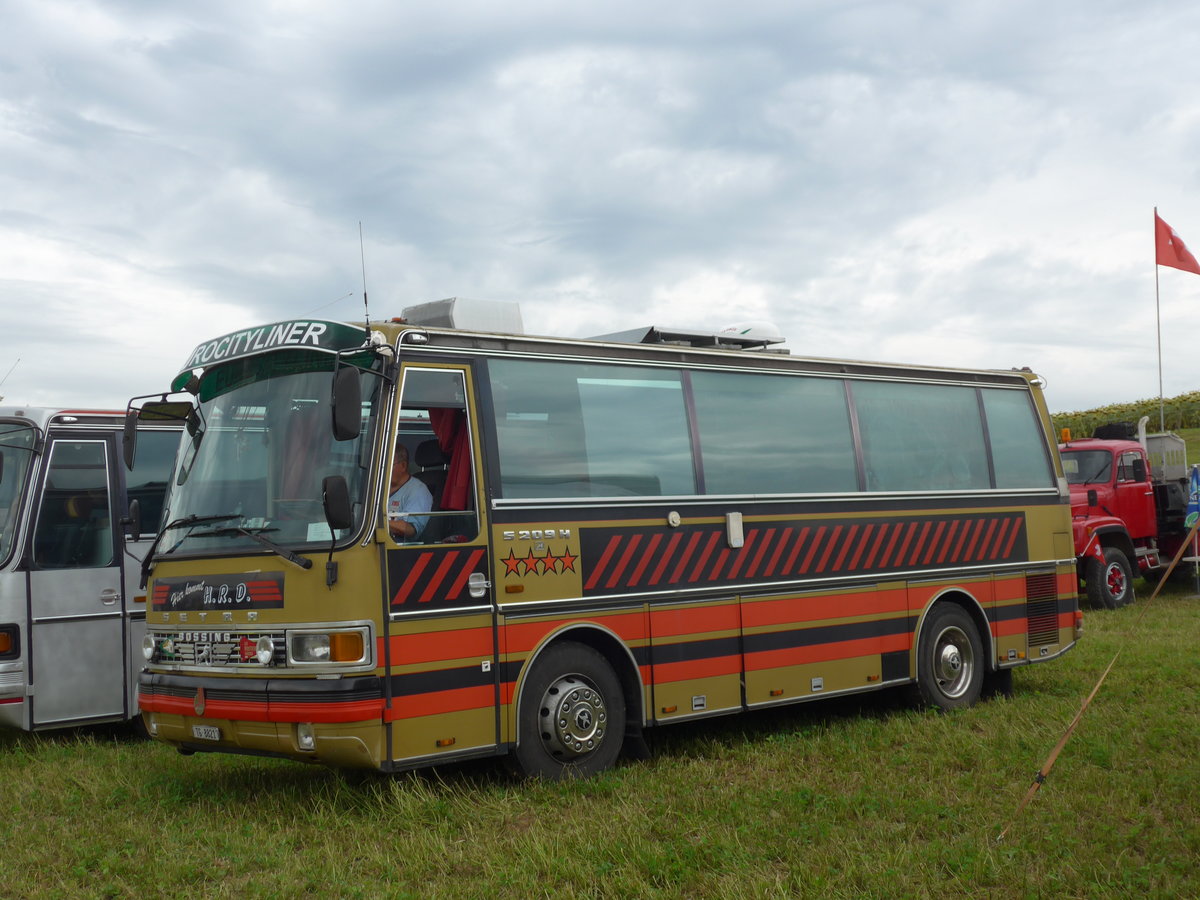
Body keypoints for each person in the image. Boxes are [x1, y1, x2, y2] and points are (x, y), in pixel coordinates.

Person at [388, 442, 432, 542]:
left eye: (388, 465)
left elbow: (410, 529)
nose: (383, 470)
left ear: (403, 466)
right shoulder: (379, 488)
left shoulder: (418, 490)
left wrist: (375, 522)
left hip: (401, 550)